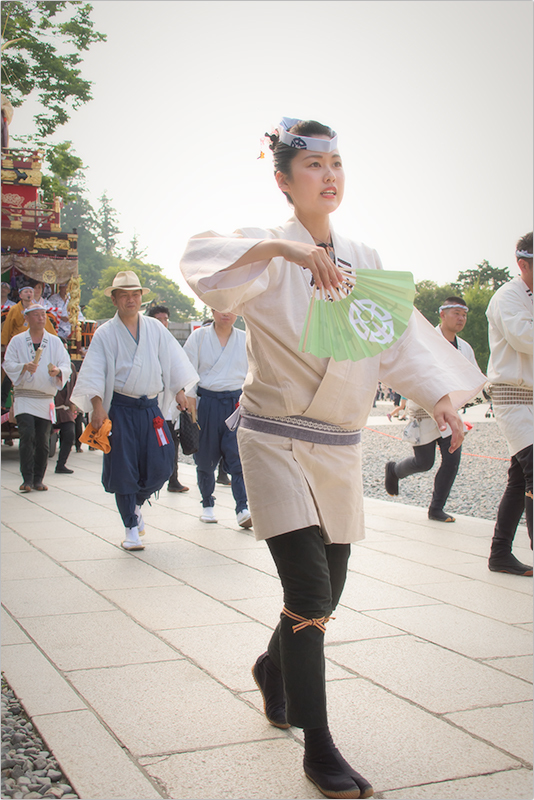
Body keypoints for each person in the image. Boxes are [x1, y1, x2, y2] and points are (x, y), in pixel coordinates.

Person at [180, 117, 485, 799]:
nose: (329, 175)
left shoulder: (364, 256)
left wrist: (441, 398)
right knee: (312, 595)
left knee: (320, 595)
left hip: (338, 450)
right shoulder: (269, 253)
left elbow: (398, 342)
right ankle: (319, 749)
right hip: (277, 439)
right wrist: (285, 254)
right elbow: (206, 267)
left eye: (337, 162)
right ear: (285, 181)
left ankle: (272, 667)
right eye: (313, 164)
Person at [71, 271, 198, 552]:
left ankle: (136, 504)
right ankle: (130, 526)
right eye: (124, 294)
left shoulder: (155, 328)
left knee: (164, 464)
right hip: (121, 409)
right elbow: (94, 372)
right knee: (123, 468)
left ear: (141, 297)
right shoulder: (105, 333)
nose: (131, 299)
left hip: (151, 409)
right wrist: (97, 406)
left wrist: (179, 390)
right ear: (115, 298)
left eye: (135, 294)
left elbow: (172, 361)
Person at [385, 296, 479, 522]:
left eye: (464, 314)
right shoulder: (425, 340)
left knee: (452, 460)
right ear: (442, 314)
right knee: (424, 462)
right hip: (424, 408)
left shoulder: (464, 348)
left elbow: (471, 376)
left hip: (451, 411)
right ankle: (395, 470)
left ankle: (436, 508)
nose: (461, 318)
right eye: (456, 313)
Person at [486, 232, 533, 576]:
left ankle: (500, 553)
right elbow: (523, 337)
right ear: (522, 264)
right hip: (512, 397)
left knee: (519, 479)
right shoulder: (507, 296)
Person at [183, 309, 251, 527]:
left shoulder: (245, 338)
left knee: (238, 458)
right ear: (212, 309)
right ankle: (207, 504)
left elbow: (255, 372)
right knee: (205, 458)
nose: (226, 313)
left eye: (232, 308)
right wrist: (189, 397)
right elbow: (187, 370)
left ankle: (242, 507)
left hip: (236, 404)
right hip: (207, 403)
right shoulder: (199, 337)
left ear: (239, 311)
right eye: (221, 307)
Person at [3, 304, 71, 491]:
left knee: (42, 439)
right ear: (27, 318)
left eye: (43, 315)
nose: (41, 318)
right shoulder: (17, 341)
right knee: (27, 436)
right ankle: (27, 478)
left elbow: (66, 365)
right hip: (25, 396)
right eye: (36, 315)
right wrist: (23, 367)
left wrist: (58, 371)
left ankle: (39, 478)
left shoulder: (55, 342)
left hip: (45, 398)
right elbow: (8, 363)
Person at [146, 304, 189, 492]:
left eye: (165, 319)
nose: (163, 323)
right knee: (148, 443)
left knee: (171, 441)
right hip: (147, 401)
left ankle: (173, 479)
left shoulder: (170, 343)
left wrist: (181, 392)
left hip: (168, 402)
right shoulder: (144, 341)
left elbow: (179, 369)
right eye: (159, 319)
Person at [54, 364, 79, 474]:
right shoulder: (49, 363)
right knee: (42, 438)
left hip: (64, 408)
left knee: (69, 434)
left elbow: (74, 385)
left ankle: (61, 464)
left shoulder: (70, 366)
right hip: (48, 407)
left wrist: (73, 403)